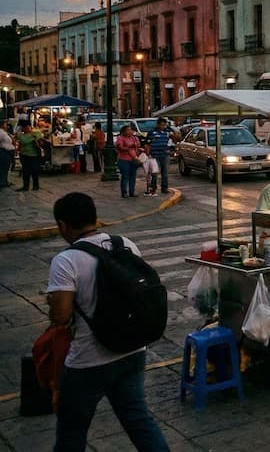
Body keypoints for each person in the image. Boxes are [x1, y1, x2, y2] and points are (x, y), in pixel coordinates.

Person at [46, 192, 169, 451]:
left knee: (72, 431)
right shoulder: (125, 244)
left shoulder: (66, 260)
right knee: (139, 420)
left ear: (62, 225)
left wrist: (52, 301)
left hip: (89, 359)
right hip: (133, 348)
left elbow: (61, 316)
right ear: (95, 217)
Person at [145, 117, 177, 194]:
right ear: (158, 124)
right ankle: (153, 187)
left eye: (164, 125)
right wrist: (148, 155)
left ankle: (164, 187)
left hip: (165, 154)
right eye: (162, 125)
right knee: (154, 172)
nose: (163, 127)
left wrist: (173, 131)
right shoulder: (152, 133)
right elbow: (148, 144)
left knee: (165, 172)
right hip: (155, 155)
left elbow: (176, 139)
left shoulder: (167, 132)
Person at [15, 121, 45, 192]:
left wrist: (36, 140)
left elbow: (40, 142)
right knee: (25, 172)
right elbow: (23, 141)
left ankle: (35, 186)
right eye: (24, 127)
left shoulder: (36, 133)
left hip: (34, 155)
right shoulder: (22, 136)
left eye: (27, 127)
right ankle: (25, 186)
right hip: (24, 155)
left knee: (34, 171)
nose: (26, 128)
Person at [115, 125, 141, 198]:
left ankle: (132, 191)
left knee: (133, 176)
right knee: (125, 176)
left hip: (133, 159)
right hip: (124, 159)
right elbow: (120, 147)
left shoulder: (134, 138)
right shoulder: (120, 138)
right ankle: (124, 192)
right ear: (123, 131)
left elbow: (138, 146)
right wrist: (129, 147)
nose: (130, 131)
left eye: (130, 130)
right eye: (128, 130)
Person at [0, 121, 13, 188]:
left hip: (5, 151)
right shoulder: (1, 132)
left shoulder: (4, 132)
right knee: (4, 167)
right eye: (5, 124)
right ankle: (3, 182)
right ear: (2, 125)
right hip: (3, 151)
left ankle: (4, 181)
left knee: (5, 167)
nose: (6, 125)